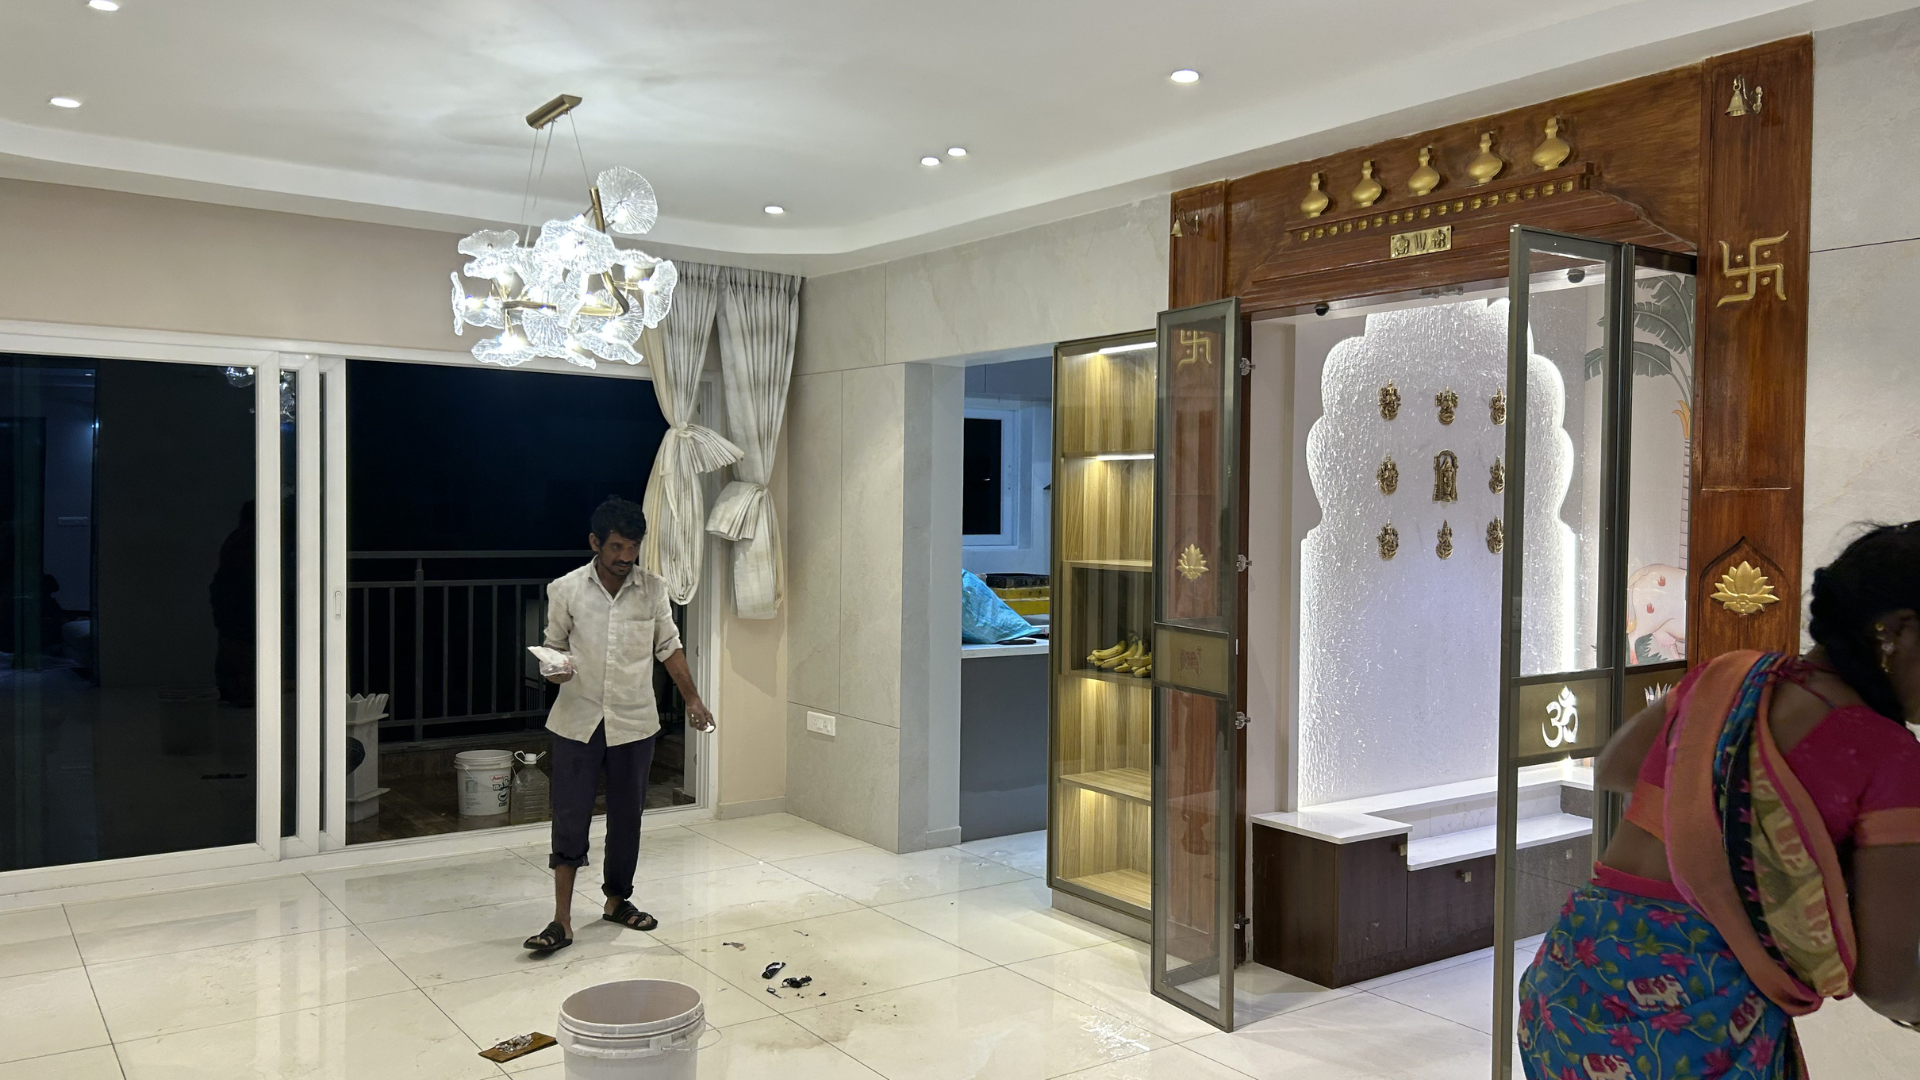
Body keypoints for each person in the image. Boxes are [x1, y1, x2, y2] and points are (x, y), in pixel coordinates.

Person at [1517, 522, 1920, 1078]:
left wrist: (1723, 806)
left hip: (1570, 990)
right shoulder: (1887, 755)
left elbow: (1617, 767)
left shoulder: (1727, 677)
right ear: (1899, 631)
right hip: (1689, 1025)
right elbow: (1889, 983)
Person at [522, 496, 715, 954]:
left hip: (635, 720)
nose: (626, 557)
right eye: (617, 547)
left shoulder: (653, 590)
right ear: (595, 543)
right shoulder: (565, 589)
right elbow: (553, 648)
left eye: (633, 547)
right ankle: (562, 920)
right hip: (577, 721)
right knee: (570, 816)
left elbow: (669, 647)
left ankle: (616, 901)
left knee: (628, 818)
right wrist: (555, 670)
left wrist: (692, 698)